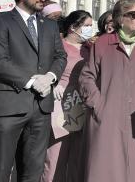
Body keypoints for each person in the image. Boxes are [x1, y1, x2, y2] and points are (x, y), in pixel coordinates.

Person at [0, 0, 67, 182]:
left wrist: (49, 76)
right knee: (1, 169)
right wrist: (32, 81)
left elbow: (60, 56)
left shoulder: (49, 25)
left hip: (41, 108)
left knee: (33, 169)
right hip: (9, 106)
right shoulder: (0, 22)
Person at [79, 0, 135, 182]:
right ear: (120, 18)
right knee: (103, 164)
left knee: (132, 165)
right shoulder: (102, 43)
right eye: (134, 14)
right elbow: (87, 77)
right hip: (105, 115)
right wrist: (98, 105)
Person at [42, 10, 92, 182]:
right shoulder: (58, 45)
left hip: (82, 105)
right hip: (60, 104)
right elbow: (43, 68)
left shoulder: (90, 48)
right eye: (86, 26)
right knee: (55, 155)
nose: (89, 30)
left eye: (91, 26)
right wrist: (53, 84)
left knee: (77, 155)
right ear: (73, 27)